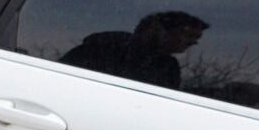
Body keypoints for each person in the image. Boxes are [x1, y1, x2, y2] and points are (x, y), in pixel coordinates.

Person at [60, 10, 207, 90]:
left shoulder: (168, 67)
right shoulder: (98, 52)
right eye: (188, 35)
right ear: (156, 30)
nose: (193, 42)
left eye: (196, 38)